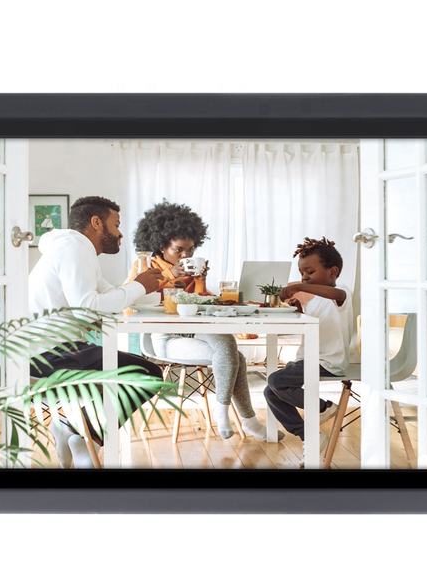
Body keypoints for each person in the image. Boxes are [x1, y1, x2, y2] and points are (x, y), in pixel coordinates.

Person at [29, 196, 165, 467]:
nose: (120, 233)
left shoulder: (74, 249)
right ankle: (82, 433)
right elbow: (88, 308)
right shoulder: (74, 248)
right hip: (47, 355)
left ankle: (71, 428)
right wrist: (139, 285)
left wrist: (151, 290)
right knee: (147, 374)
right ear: (96, 222)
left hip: (50, 349)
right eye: (116, 224)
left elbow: (109, 295)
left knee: (136, 371)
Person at [128, 200, 270, 441]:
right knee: (234, 356)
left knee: (228, 346)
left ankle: (231, 415)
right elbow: (130, 298)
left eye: (191, 250)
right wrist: (168, 274)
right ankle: (243, 419)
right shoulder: (145, 266)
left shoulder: (191, 269)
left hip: (195, 329)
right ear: (161, 245)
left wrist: (201, 281)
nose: (186, 255)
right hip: (164, 337)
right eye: (179, 250)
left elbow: (198, 304)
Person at [263, 236, 354, 451]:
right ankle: (309, 436)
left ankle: (324, 407)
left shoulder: (341, 293)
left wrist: (299, 287)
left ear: (333, 272)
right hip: (308, 359)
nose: (305, 277)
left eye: (310, 272)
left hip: (329, 362)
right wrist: (298, 307)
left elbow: (336, 294)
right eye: (302, 273)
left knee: (277, 381)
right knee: (270, 391)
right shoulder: (315, 300)